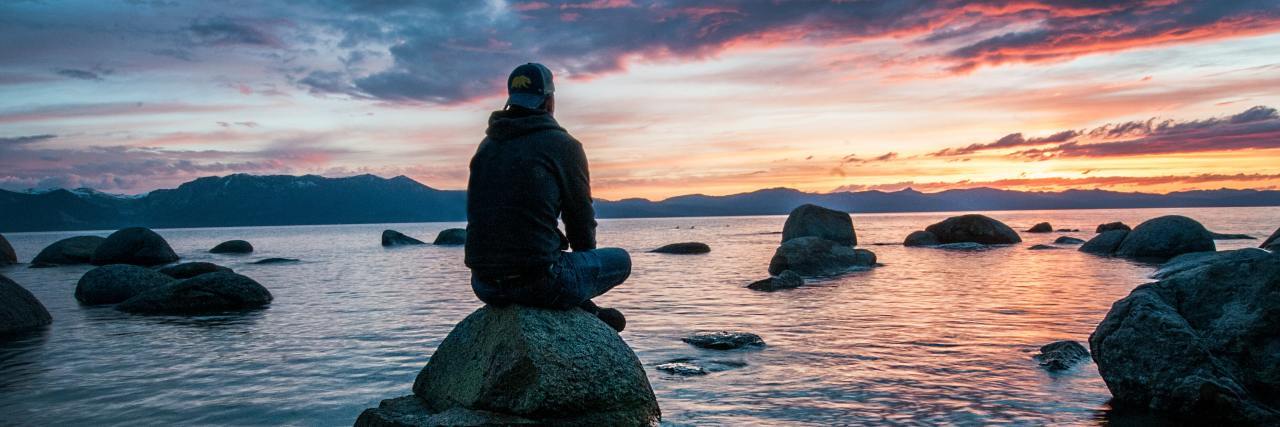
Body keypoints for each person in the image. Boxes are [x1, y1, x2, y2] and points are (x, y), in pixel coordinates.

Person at [464, 62, 630, 332]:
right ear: (549, 100)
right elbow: (580, 220)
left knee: (550, 259)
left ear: (511, 100)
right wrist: (581, 275)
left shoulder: (486, 147)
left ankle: (585, 308)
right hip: (540, 282)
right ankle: (584, 307)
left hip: (484, 285)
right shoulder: (563, 145)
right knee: (621, 260)